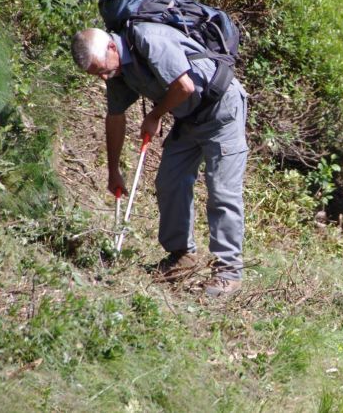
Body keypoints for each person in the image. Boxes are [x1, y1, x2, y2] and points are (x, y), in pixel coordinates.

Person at [71, 23, 248, 295]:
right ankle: (181, 256)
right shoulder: (118, 70)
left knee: (222, 191)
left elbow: (185, 86)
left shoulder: (149, 39)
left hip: (222, 110)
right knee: (170, 181)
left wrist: (154, 116)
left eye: (103, 70)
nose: (105, 79)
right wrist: (113, 170)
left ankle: (228, 273)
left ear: (110, 47)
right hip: (189, 118)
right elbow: (115, 117)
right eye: (98, 75)